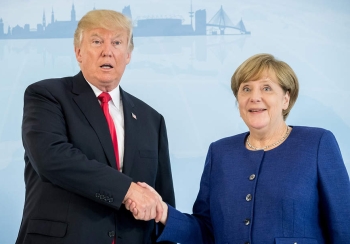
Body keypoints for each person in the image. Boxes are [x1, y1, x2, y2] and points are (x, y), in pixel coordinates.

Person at [126, 53, 350, 244]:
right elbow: (205, 230)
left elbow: (343, 224)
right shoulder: (220, 152)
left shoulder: (317, 143)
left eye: (266, 88)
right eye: (246, 89)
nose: (254, 97)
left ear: (286, 99)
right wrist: (163, 212)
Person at [16, 9, 175, 244]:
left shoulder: (151, 118)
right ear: (78, 52)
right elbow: (52, 158)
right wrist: (128, 190)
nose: (107, 51)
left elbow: (161, 201)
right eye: (97, 41)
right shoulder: (46, 96)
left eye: (117, 42)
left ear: (128, 54)